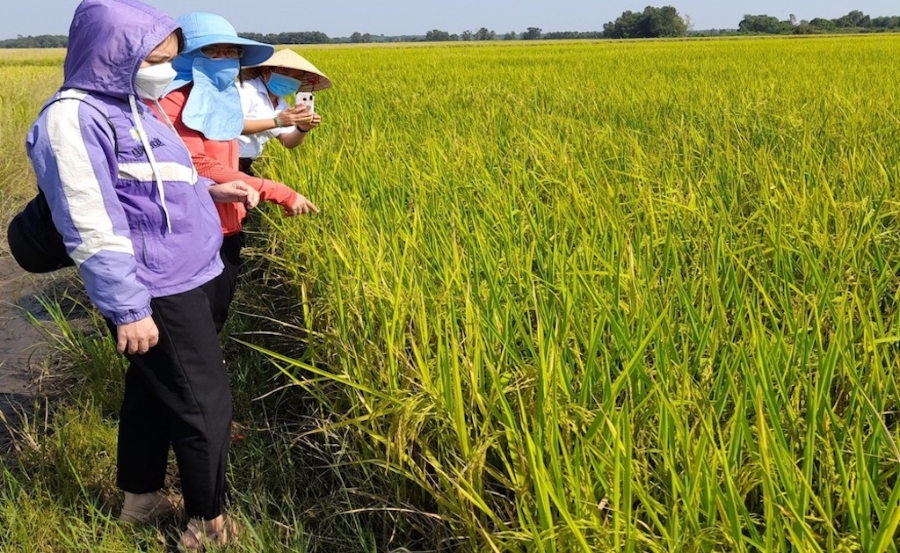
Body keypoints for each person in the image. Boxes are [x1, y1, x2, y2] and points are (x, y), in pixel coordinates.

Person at [25, 0, 259, 549]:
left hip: (189, 268)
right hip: (155, 285)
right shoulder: (73, 117)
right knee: (206, 403)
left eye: (170, 59)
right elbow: (92, 221)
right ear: (114, 54)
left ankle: (140, 499)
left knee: (154, 390)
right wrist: (128, 308)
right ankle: (207, 525)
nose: (165, 70)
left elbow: (155, 183)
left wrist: (209, 190)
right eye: (154, 58)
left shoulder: (138, 105)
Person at [159, 13, 319, 333]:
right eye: (213, 51)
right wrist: (279, 191)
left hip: (226, 212)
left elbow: (286, 142)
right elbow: (197, 162)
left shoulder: (221, 94)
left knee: (217, 309)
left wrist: (299, 126)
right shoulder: (174, 99)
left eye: (230, 51)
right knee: (194, 326)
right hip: (194, 226)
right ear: (184, 54)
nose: (224, 58)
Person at [237, 49, 332, 175]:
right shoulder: (245, 90)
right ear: (266, 72)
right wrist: (277, 121)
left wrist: (302, 129)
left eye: (296, 77)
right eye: (285, 74)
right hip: (224, 159)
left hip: (244, 164)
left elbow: (288, 142)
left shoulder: (282, 105)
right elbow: (233, 125)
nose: (289, 79)